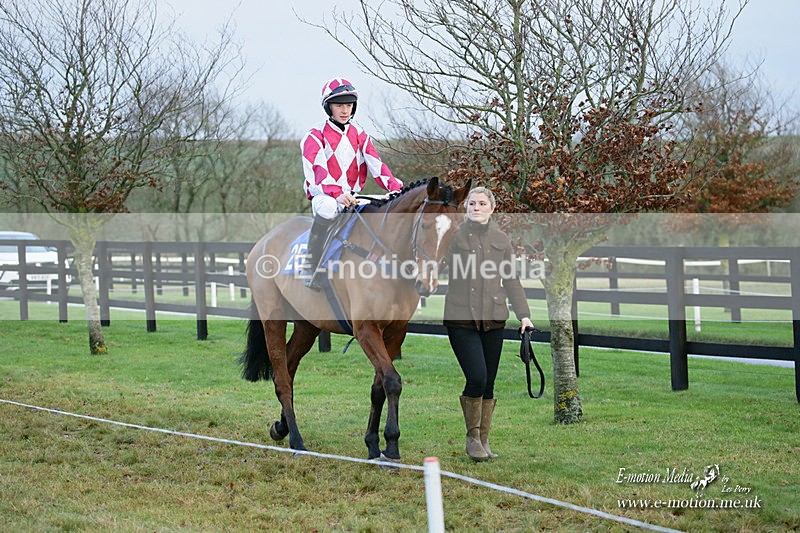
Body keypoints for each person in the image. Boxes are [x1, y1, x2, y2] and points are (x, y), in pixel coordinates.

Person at [443, 186, 535, 461]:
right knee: (477, 377)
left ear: (492, 208)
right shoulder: (454, 235)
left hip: (493, 319)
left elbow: (511, 280)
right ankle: (472, 438)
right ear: (466, 207)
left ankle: (483, 441)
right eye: (472, 203)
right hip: (461, 320)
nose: (476, 207)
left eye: (482, 203)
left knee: (490, 382)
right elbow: (436, 263)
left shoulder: (501, 239)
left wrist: (524, 316)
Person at [300, 77, 403, 290]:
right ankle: (312, 265)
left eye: (349, 105)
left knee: (385, 207)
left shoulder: (360, 134)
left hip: (353, 196)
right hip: (325, 195)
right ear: (329, 107)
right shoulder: (314, 135)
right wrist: (337, 193)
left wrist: (395, 188)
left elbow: (376, 165)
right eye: (339, 105)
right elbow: (318, 173)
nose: (345, 110)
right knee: (328, 209)